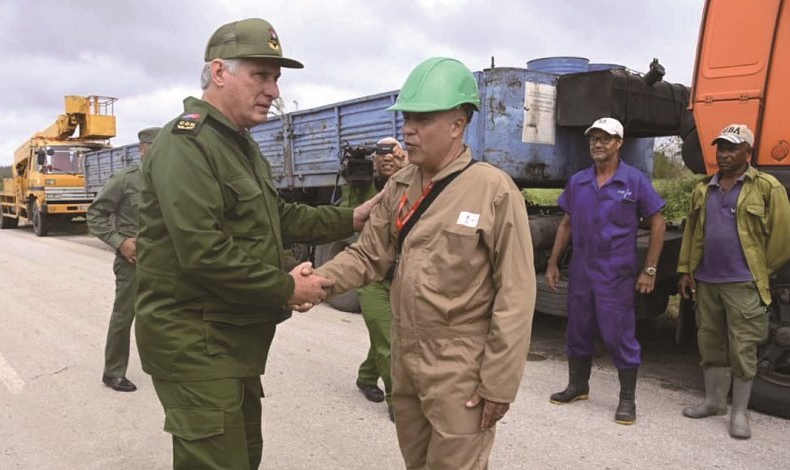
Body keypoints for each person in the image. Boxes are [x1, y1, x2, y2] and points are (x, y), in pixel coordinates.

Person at [134, 18, 380, 469]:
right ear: (220, 72)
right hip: (196, 344)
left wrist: (353, 216)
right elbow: (203, 252)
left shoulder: (240, 145)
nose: (273, 90)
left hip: (230, 341)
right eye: (260, 76)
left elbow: (278, 217)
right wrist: (288, 288)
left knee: (244, 457)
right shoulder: (187, 143)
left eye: (276, 79)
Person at [315, 57, 536, 469]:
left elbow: (517, 294)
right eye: (406, 118)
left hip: (459, 365)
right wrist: (314, 283)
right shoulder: (400, 185)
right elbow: (368, 254)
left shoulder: (493, 191)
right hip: (405, 355)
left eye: (422, 119)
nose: (408, 130)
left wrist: (499, 384)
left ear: (458, 123)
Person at [545, 117, 666, 425]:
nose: (598, 144)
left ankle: (627, 400)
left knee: (619, 333)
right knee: (578, 327)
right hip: (582, 269)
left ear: (619, 143)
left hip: (616, 272)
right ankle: (577, 386)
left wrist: (649, 269)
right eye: (594, 139)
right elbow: (566, 224)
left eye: (606, 139)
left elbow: (658, 222)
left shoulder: (634, 180)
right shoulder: (579, 181)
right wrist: (553, 262)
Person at [678, 123, 790, 439]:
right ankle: (714, 402)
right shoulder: (704, 188)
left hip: (743, 282)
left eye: (732, 148)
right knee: (710, 342)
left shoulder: (767, 187)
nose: (724, 154)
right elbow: (692, 233)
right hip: (707, 281)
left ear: (748, 152)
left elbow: (783, 237)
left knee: (743, 346)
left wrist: (760, 273)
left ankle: (740, 413)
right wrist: (687, 270)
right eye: (721, 148)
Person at [87, 126, 160, 392]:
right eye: (154, 148)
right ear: (142, 150)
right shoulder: (125, 179)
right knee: (124, 316)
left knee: (163, 314)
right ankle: (113, 372)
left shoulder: (171, 178)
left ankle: (163, 366)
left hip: (165, 261)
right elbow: (95, 215)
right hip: (134, 261)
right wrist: (120, 242)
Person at [343, 138, 407, 420]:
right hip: (371, 275)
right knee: (388, 341)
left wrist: (407, 171)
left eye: (392, 152)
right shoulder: (363, 184)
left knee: (386, 333)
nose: (386, 159)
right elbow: (349, 216)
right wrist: (357, 181)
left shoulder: (413, 180)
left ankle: (366, 377)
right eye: (380, 154)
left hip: (399, 275)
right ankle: (397, 400)